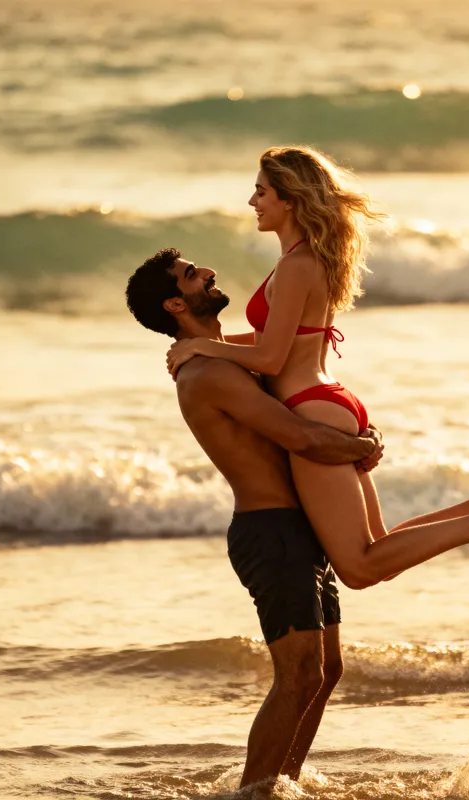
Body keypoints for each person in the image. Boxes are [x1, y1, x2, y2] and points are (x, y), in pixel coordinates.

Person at [164, 146, 469, 593]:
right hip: (330, 400)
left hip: (309, 407)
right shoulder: (309, 258)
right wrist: (204, 346)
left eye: (261, 192)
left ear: (289, 199)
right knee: (379, 550)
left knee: (360, 568)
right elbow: (280, 340)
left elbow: (271, 359)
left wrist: (202, 346)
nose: (253, 202)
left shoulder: (295, 266)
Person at [126, 249, 382, 790]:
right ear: (176, 303)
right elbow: (299, 436)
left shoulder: (221, 357)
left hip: (297, 527)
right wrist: (360, 445)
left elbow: (287, 354)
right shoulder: (206, 372)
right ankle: (255, 789)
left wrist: (356, 444)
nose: (208, 272)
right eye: (193, 275)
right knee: (298, 676)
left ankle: (280, 782)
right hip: (272, 533)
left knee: (325, 672)